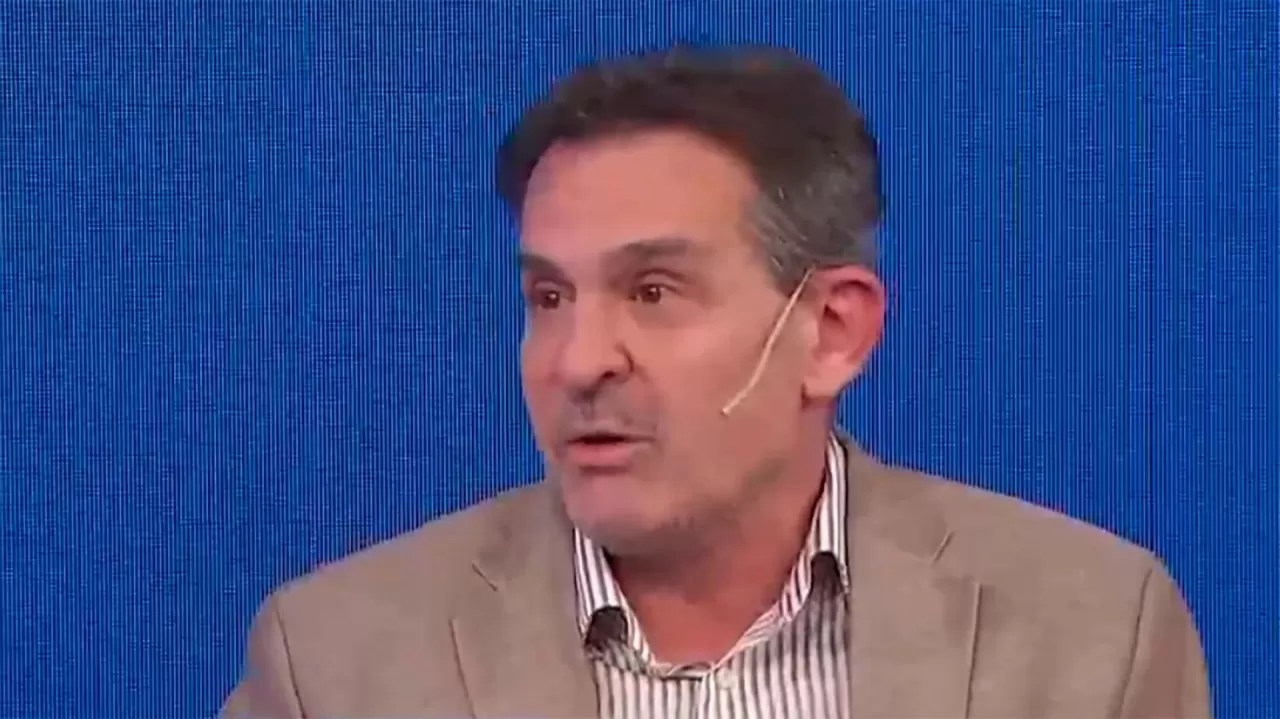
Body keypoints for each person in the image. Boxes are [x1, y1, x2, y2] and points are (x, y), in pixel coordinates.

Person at [219, 44, 1211, 718]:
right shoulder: (334, 664)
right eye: (550, 296)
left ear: (831, 331)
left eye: (652, 291)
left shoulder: (1092, 636)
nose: (577, 360)